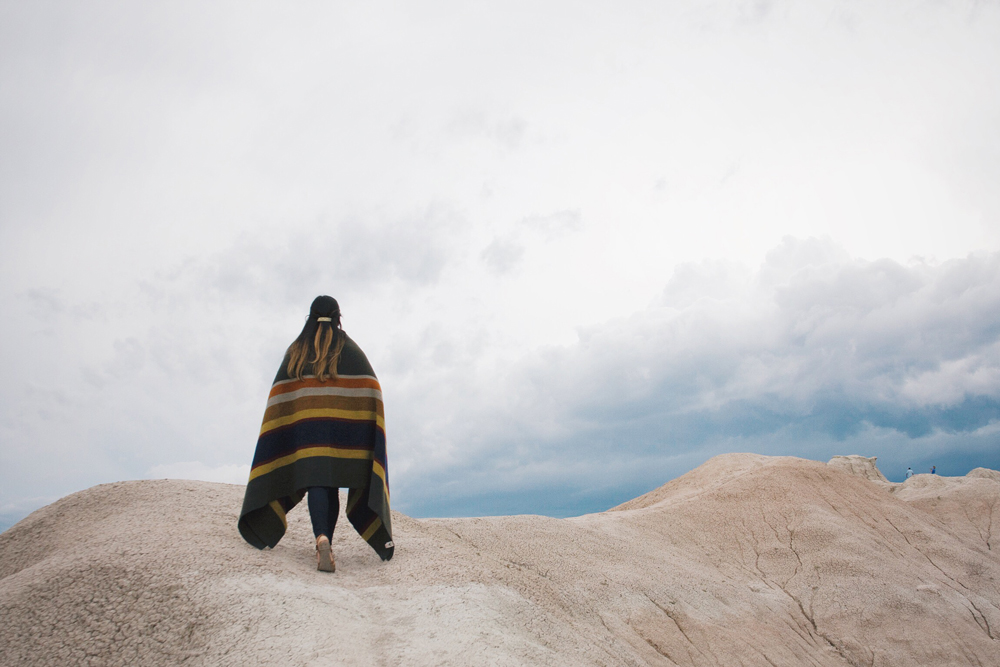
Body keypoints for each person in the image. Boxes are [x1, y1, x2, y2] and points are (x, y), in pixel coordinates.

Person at [238, 296, 394, 571]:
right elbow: (372, 387)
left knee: (319, 483)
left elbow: (279, 394)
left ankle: (322, 537)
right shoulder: (349, 349)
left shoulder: (296, 351)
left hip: (306, 434)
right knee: (330, 482)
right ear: (338, 317)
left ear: (309, 317)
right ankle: (326, 539)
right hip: (341, 433)